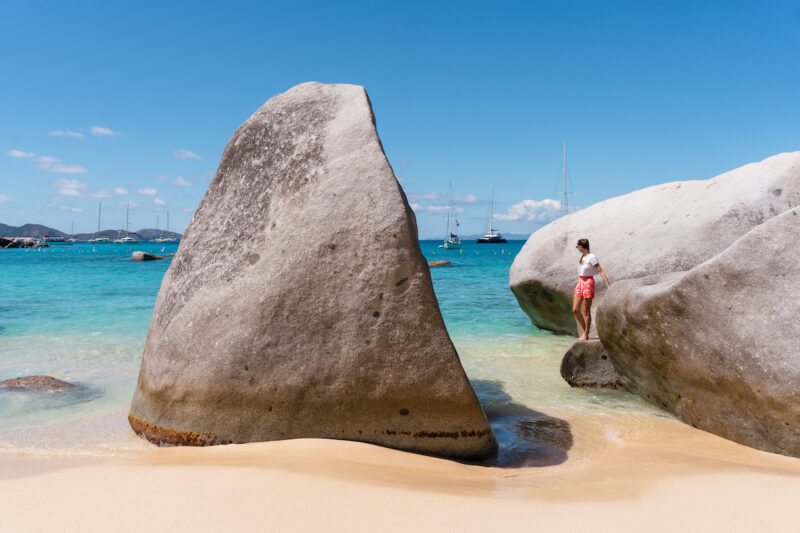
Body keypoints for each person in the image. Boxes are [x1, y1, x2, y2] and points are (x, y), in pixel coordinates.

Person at [573, 238, 610, 341]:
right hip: (580, 282)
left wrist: (608, 284)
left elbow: (601, 271)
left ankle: (585, 334)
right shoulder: (582, 256)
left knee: (586, 311)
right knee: (575, 309)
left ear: (580, 247)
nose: (577, 249)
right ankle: (586, 331)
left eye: (577, 247)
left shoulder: (592, 257)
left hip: (588, 282)